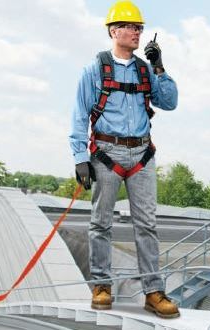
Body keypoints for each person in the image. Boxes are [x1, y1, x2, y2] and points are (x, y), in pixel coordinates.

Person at [69, 0, 180, 318]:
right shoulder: (95, 70)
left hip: (142, 156)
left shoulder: (145, 70)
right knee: (100, 223)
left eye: (140, 28)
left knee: (147, 225)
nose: (137, 32)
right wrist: (80, 157)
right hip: (106, 154)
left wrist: (159, 65)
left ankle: (153, 291)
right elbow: (79, 115)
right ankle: (101, 285)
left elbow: (170, 102)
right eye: (131, 27)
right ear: (114, 30)